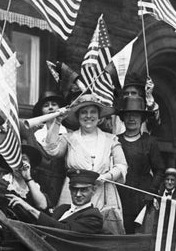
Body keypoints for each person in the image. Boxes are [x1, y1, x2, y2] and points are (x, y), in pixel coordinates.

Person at [44, 93, 127, 234]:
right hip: (75, 191)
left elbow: (121, 166)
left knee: (104, 235)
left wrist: (106, 176)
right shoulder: (68, 138)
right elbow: (52, 150)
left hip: (103, 192)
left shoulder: (111, 139)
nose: (88, 116)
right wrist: (57, 122)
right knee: (70, 233)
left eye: (93, 112)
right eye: (84, 112)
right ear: (77, 116)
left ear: (99, 116)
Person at [116, 96, 165, 234]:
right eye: (128, 115)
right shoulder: (115, 140)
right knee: (121, 233)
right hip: (120, 195)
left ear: (142, 118)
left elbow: (159, 170)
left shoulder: (149, 141)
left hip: (143, 196)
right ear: (123, 118)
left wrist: (152, 191)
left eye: (136, 115)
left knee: (140, 235)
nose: (131, 119)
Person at [7, 169, 103, 234]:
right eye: (74, 189)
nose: (78, 194)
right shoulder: (63, 208)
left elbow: (65, 231)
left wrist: (29, 208)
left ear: (93, 190)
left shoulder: (94, 216)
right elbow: (44, 221)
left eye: (84, 190)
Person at [19, 91, 67, 207]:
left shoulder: (68, 134)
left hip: (57, 184)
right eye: (46, 105)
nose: (50, 107)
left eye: (54, 104)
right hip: (35, 182)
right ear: (41, 110)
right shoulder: (32, 132)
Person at [0, 145, 50, 223]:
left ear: (29, 164)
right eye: (16, 160)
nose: (19, 164)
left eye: (24, 159)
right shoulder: (1, 183)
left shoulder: (35, 187)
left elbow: (43, 206)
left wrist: (27, 178)